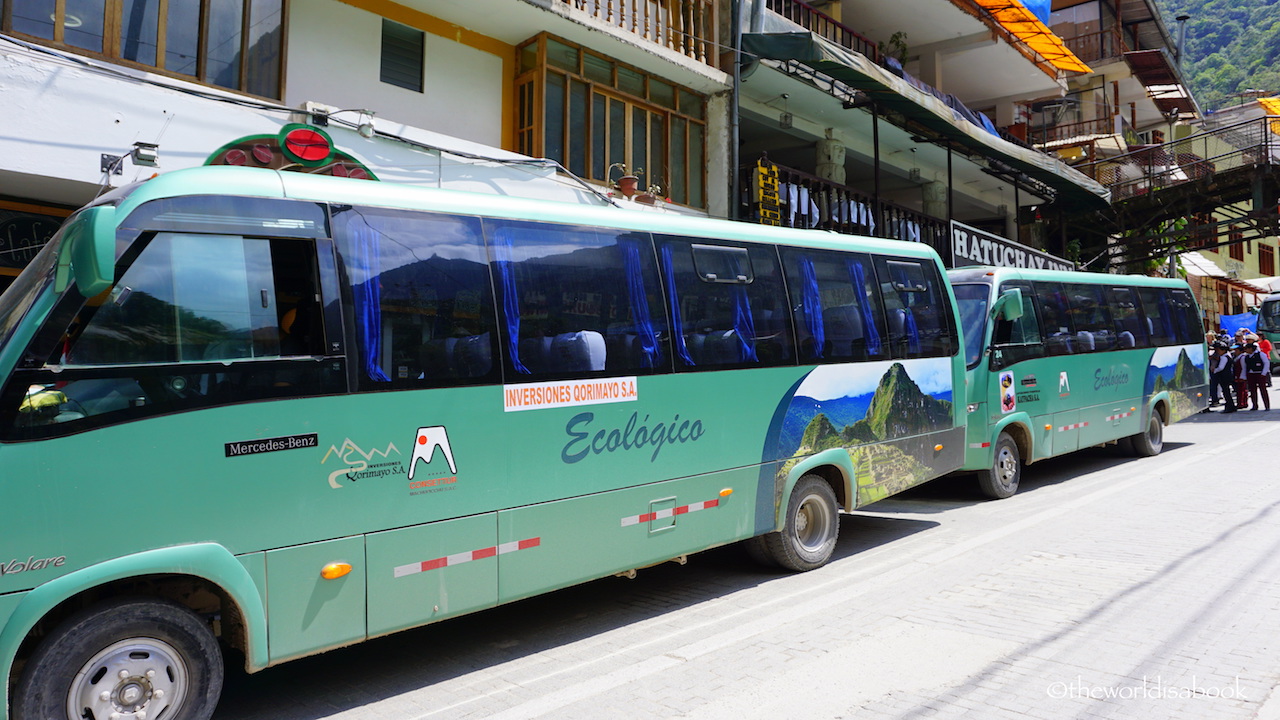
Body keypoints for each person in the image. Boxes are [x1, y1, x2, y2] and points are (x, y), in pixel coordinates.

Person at [1243, 339, 1271, 410]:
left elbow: (1266, 363)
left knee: (1263, 390)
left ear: (1251, 349)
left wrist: (1264, 373)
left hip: (1259, 373)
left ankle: (1267, 405)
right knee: (1252, 390)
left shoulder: (1260, 354)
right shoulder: (1246, 357)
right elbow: (1245, 366)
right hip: (1251, 374)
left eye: (1247, 349)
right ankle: (1254, 405)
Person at [1209, 342, 1237, 412]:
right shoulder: (1227, 356)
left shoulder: (1223, 358)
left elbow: (1221, 367)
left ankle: (1230, 406)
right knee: (1226, 392)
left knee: (1226, 392)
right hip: (1227, 376)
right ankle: (1230, 406)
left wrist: (1214, 370)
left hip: (1224, 376)